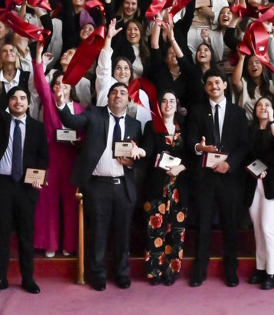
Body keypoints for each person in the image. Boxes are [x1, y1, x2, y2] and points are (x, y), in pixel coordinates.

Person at [56, 80, 145, 291]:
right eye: (114, 92)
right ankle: (98, 274)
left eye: (123, 93)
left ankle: (122, 273)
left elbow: (139, 159)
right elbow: (72, 121)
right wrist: (61, 104)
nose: (118, 96)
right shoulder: (94, 114)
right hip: (97, 186)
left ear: (128, 99)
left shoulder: (135, 125)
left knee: (123, 233)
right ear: (108, 97)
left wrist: (132, 162)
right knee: (97, 233)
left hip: (123, 186)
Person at [0, 63, 49, 296]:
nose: (18, 101)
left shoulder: (37, 127)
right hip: (2, 186)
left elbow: (42, 158)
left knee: (26, 235)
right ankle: (0, 279)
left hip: (27, 187)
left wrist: (40, 178)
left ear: (28, 103)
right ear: (8, 103)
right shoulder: (0, 121)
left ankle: (28, 278)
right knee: (2, 235)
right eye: (14, 98)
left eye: (22, 98)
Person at [186, 69, 249, 288]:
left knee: (230, 225)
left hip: (229, 177)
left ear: (224, 85)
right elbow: (190, 140)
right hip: (204, 177)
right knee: (203, 224)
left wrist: (229, 165)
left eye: (218, 83)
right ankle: (199, 271)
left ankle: (231, 271)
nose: (214, 86)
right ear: (205, 88)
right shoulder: (196, 111)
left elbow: (243, 145)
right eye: (210, 83)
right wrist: (199, 147)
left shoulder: (238, 113)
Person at [32, 52, 82, 259]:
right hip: (51, 158)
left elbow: (86, 135)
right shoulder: (49, 102)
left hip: (71, 159)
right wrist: (39, 62)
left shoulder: (80, 108)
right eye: (58, 83)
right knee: (47, 202)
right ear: (53, 88)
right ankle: (49, 243)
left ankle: (70, 245)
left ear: (72, 87)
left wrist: (78, 141)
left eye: (66, 83)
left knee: (71, 203)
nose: (62, 86)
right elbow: (40, 83)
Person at [140, 91, 190, 285]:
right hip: (157, 186)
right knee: (155, 230)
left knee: (176, 232)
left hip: (179, 187)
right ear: (159, 105)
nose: (168, 104)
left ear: (176, 105)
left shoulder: (184, 127)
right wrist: (139, 150)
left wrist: (181, 167)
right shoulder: (151, 126)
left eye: (172, 101)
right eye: (164, 101)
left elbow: (192, 157)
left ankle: (171, 272)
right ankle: (154, 271)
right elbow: (147, 150)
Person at [246, 98, 274, 290]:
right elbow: (245, 156)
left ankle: (273, 272)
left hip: (273, 184)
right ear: (254, 111)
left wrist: (272, 121)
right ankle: (261, 268)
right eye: (260, 105)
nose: (263, 107)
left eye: (268, 105)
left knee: (267, 226)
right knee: (257, 227)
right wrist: (256, 171)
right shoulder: (249, 131)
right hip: (254, 183)